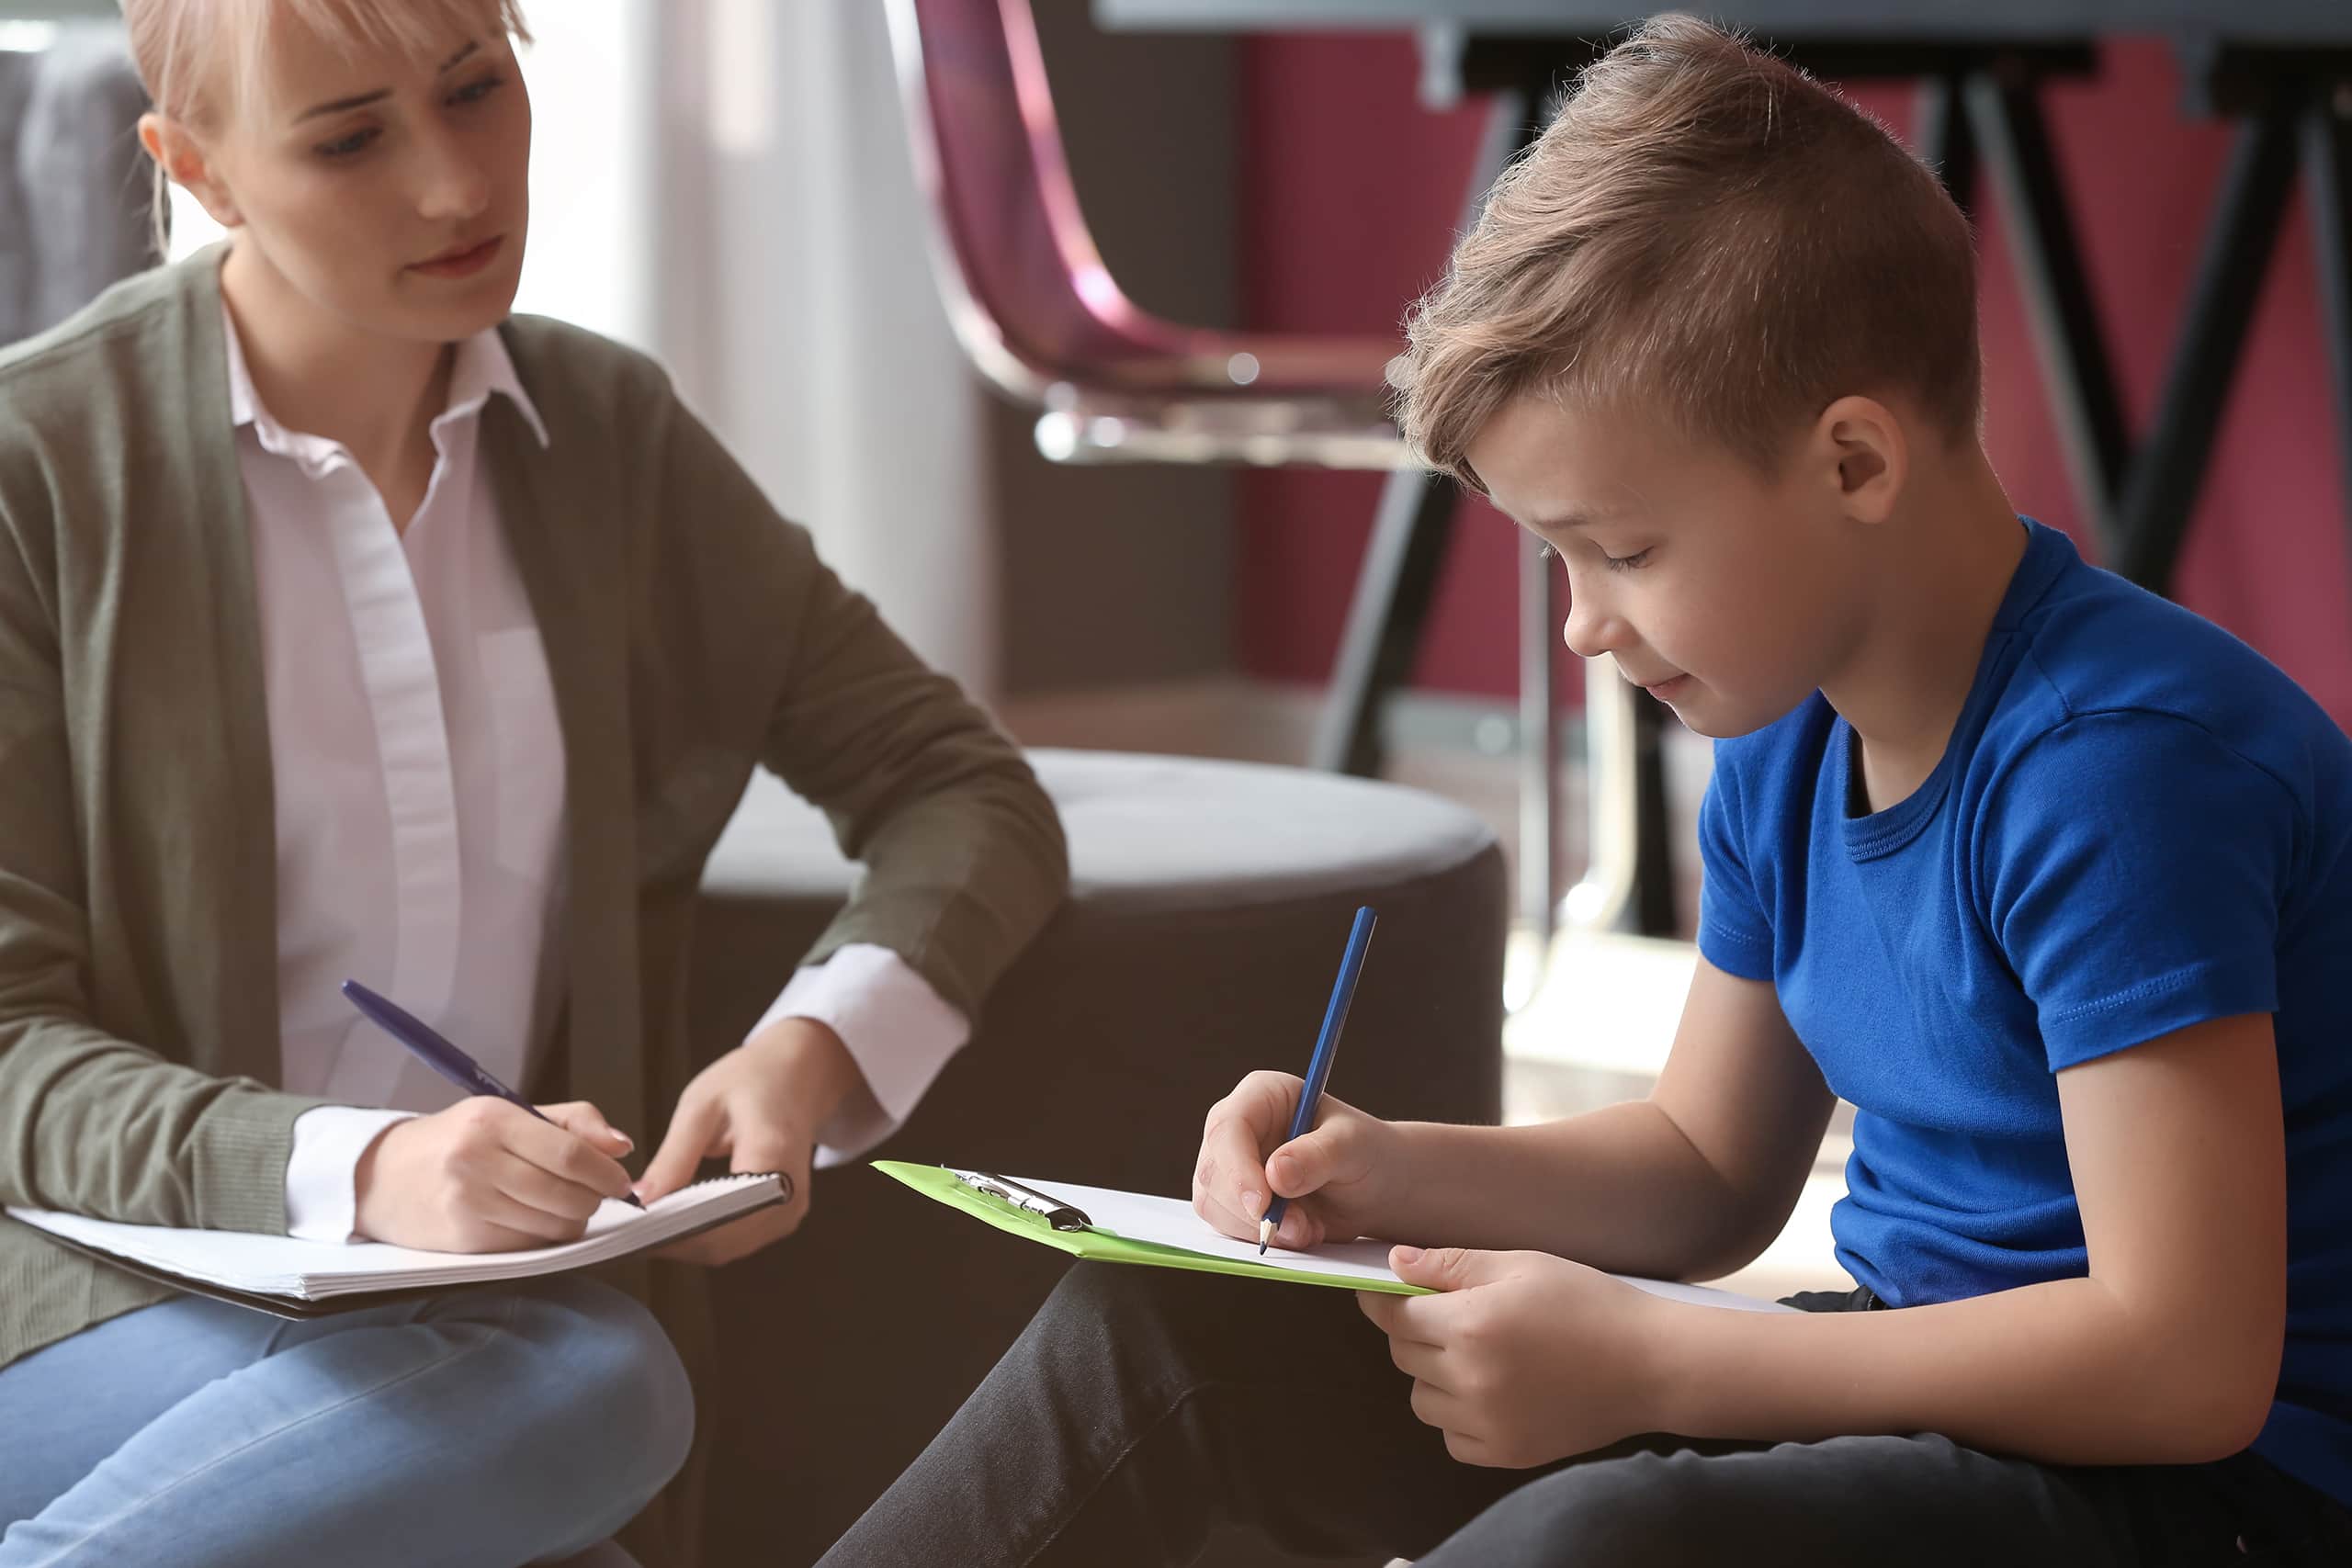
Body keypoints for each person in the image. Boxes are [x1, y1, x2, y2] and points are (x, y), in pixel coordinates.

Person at [817, 15, 2352, 1567]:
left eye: (1622, 550)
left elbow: (2184, 1367)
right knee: (1171, 1326)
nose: (1581, 624)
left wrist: (1658, 1359)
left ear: (1853, 465)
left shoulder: (2118, 767)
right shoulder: (1787, 736)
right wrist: (1389, 1165)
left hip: (2217, 1501)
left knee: (1604, 1538)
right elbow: (1705, 1170)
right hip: (1925, 1402)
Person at [0, 2, 1067, 1565]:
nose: (452, 185)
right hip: (109, 1308)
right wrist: (365, 1169)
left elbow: (960, 788)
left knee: (568, 1414)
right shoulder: (40, 468)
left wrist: (816, 1046)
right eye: (351, 137)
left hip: (468, 1351)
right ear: (201, 171)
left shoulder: (607, 441)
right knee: (593, 1390)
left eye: (477, 89)